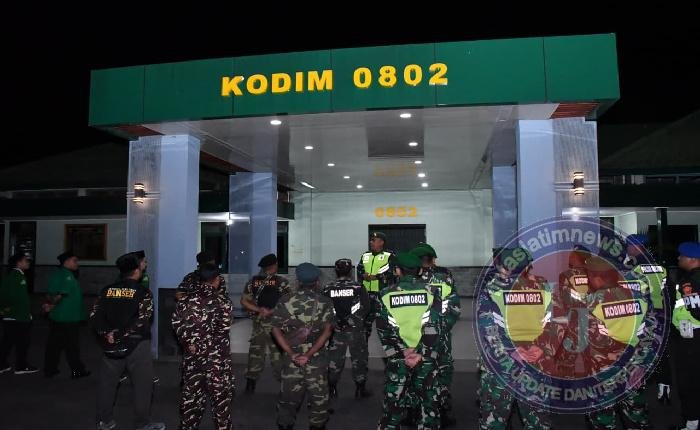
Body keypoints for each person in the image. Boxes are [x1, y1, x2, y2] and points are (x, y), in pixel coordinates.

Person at [478, 247, 552, 430]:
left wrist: (514, 351)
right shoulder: (543, 286)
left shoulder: (492, 288)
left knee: (494, 420)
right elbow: (553, 324)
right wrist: (540, 348)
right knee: (537, 421)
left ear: (504, 267)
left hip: (502, 364)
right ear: (527, 266)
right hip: (536, 363)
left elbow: (488, 329)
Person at [91, 252, 165, 430]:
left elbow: (95, 315)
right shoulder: (143, 293)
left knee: (107, 384)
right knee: (143, 385)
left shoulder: (106, 290)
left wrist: (107, 333)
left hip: (110, 344)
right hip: (137, 344)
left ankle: (104, 420)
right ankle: (142, 423)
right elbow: (143, 320)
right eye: (142, 265)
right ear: (137, 270)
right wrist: (120, 334)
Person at [376, 251, 444, 429]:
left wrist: (402, 351)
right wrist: (421, 352)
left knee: (393, 406)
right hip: (426, 357)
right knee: (428, 406)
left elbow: (384, 329)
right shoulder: (432, 292)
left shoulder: (385, 294)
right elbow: (435, 326)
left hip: (399, 358)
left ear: (398, 271)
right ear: (420, 271)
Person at [270, 262, 335, 430]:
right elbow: (327, 332)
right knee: (319, 400)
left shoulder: (285, 300)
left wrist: (292, 354)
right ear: (317, 282)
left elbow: (275, 330)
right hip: (317, 360)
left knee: (288, 400)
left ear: (298, 280)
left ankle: (285, 425)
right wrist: (309, 354)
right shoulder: (325, 302)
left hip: (292, 360)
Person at [172, 263, 234, 430]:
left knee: (191, 402)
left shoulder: (184, 301)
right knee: (221, 403)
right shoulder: (223, 302)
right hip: (217, 362)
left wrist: (190, 344)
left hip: (193, 361)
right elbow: (224, 328)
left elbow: (177, 326)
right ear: (216, 280)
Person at [412, 243, 460, 427]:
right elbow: (454, 309)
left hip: (416, 338)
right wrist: (441, 330)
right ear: (432, 260)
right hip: (441, 338)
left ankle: (417, 411)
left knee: (418, 372)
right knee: (442, 371)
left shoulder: (409, 281)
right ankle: (443, 409)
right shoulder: (444, 278)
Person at [624, 233, 673, 404]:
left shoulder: (634, 269)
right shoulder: (660, 267)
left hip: (645, 316)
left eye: (629, 247)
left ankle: (638, 387)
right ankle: (664, 388)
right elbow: (669, 292)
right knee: (662, 352)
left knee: (641, 351)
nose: (627, 250)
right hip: (662, 315)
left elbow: (631, 294)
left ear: (636, 248)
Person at [322, 258, 371, 399]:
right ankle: (360, 389)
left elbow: (324, 309)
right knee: (359, 359)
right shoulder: (358, 287)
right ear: (350, 271)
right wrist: (350, 321)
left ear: (336, 271)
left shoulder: (328, 288)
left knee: (334, 360)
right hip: (355, 330)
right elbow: (365, 308)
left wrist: (337, 322)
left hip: (336, 330)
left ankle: (332, 389)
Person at [240, 253, 290, 393]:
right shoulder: (281, 282)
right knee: (278, 354)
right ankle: (283, 385)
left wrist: (259, 310)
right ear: (274, 266)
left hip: (259, 323)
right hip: (276, 325)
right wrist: (272, 311)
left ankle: (250, 383)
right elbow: (288, 302)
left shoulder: (253, 281)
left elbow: (244, 301)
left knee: (256, 353)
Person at [43, 251, 90, 379]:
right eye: (75, 261)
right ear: (67, 262)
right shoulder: (68, 275)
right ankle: (77, 370)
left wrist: (49, 304)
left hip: (57, 316)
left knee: (54, 345)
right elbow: (61, 294)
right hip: (68, 316)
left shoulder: (57, 274)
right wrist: (52, 303)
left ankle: (50, 369)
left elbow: (49, 293)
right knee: (72, 346)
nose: (77, 263)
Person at [671, 242, 700, 430]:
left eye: (682, 256)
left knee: (689, 382)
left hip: (692, 339)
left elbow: (696, 310)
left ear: (692, 259)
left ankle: (692, 423)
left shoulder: (689, 282)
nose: (679, 258)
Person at [0, 253, 38, 374]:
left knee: (7, 342)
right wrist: (24, 314)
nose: (28, 262)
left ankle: (2, 364)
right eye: (25, 260)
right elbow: (18, 299)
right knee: (22, 342)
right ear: (19, 263)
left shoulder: (13, 276)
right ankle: (21, 366)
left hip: (11, 316)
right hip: (18, 316)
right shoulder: (17, 276)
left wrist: (5, 311)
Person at [357, 232, 394, 339]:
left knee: (384, 322)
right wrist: (363, 274)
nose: (371, 242)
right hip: (366, 294)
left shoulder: (389, 255)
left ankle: (389, 346)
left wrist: (376, 277)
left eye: (374, 240)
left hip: (382, 294)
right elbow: (359, 268)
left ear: (381, 242)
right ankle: (363, 344)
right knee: (364, 322)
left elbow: (392, 272)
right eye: (371, 240)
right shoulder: (365, 255)